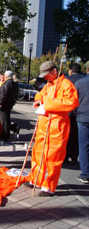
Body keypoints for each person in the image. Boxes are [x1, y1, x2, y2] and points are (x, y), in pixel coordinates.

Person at [25, 61, 79, 196]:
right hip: (44, 124)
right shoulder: (49, 84)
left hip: (57, 127)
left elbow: (71, 102)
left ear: (54, 71)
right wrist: (38, 100)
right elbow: (40, 95)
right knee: (38, 154)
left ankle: (48, 186)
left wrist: (47, 103)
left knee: (53, 158)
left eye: (46, 75)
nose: (45, 78)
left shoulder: (66, 85)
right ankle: (36, 179)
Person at [64, 63, 84, 163]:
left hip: (68, 111)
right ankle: (74, 155)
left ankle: (66, 155)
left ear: (70, 70)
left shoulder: (66, 80)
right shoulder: (83, 80)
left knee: (67, 134)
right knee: (76, 135)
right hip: (80, 112)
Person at [74, 73, 89, 184]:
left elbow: (74, 101)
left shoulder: (80, 83)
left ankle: (85, 174)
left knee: (84, 146)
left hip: (83, 117)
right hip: (83, 116)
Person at [0, 70, 18, 144]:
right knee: (7, 120)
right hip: (9, 105)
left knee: (4, 121)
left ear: (6, 76)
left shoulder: (6, 84)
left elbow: (3, 95)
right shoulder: (14, 84)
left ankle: (4, 137)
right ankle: (7, 135)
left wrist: (0, 103)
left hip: (4, 105)